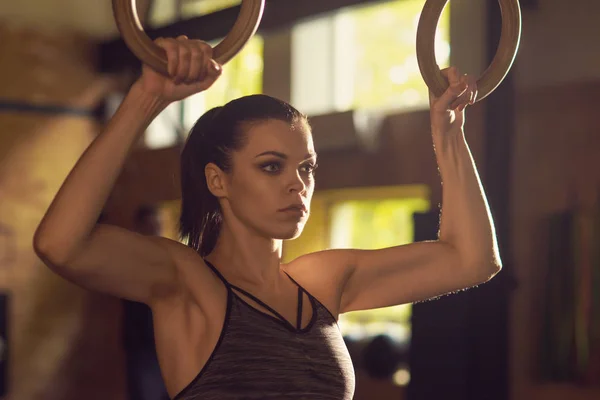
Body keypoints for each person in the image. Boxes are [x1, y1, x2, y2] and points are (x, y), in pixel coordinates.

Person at [33, 35, 501, 399]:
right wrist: (146, 99)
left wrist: (449, 132)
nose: (297, 184)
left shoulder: (321, 282)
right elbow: (60, 244)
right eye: (271, 166)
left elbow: (473, 259)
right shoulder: (187, 282)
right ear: (218, 181)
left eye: (307, 168)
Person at [122, 205, 170, 400]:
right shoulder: (131, 263)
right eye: (150, 225)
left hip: (169, 348)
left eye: (157, 225)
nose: (155, 229)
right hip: (144, 347)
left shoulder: (169, 259)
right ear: (139, 228)